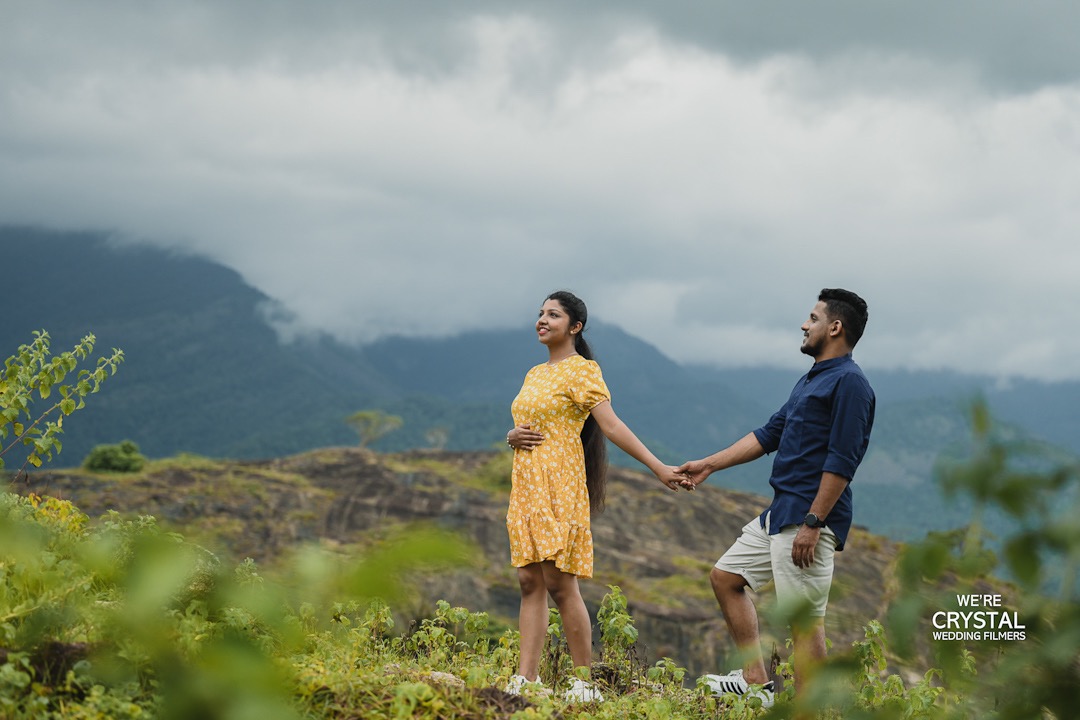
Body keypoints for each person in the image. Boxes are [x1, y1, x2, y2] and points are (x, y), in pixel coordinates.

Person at [678, 288, 875, 707]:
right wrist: (710, 464)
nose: (805, 325)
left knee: (805, 626)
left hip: (807, 519)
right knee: (726, 578)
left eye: (813, 318)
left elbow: (843, 460)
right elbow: (770, 434)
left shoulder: (851, 384)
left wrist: (814, 522)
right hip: (779, 512)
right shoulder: (812, 379)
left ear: (835, 327)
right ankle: (756, 684)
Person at [504, 290, 685, 703]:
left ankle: (583, 683)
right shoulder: (534, 373)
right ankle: (526, 678)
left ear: (575, 326)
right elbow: (526, 424)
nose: (542, 320)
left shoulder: (583, 370)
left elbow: (612, 426)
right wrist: (510, 435)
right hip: (527, 486)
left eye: (553, 314)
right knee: (528, 579)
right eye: (540, 313)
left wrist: (658, 467)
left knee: (560, 584)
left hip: (560, 485)